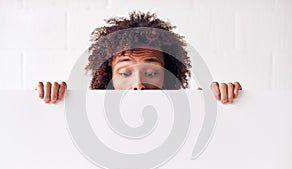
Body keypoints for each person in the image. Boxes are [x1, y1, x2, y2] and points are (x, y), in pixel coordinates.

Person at [35, 11, 242, 104]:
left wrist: (224, 102)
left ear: (168, 77)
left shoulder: (191, 112)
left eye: (151, 72)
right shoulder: (87, 115)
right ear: (108, 79)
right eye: (125, 73)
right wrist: (48, 99)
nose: (139, 84)